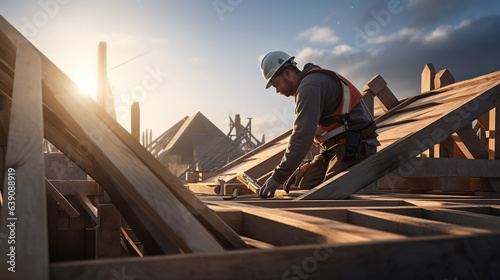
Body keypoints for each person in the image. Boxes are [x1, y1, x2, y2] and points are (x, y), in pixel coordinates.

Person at [258, 51, 380, 198]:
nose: (277, 90)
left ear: (287, 73)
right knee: (305, 184)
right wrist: (309, 164)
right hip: (335, 149)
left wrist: (278, 176)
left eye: (276, 84)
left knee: (326, 195)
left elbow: (302, 136)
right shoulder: (309, 85)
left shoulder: (310, 86)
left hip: (356, 145)